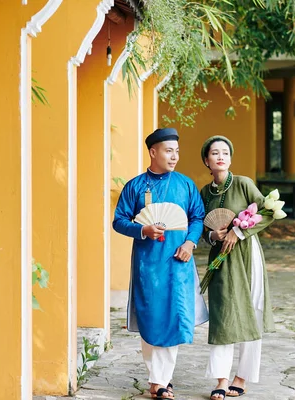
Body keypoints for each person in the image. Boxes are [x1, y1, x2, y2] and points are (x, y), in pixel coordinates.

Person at [113, 127, 208, 400]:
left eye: (177, 151)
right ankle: (158, 379)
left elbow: (197, 217)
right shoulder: (135, 186)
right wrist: (142, 231)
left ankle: (161, 381)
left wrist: (190, 243)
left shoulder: (186, 184)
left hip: (178, 261)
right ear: (153, 152)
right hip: (148, 263)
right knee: (150, 316)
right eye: (169, 150)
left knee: (175, 316)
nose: (174, 156)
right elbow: (119, 221)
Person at [199, 136, 276, 400]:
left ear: (230, 158)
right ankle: (221, 379)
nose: (220, 156)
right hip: (220, 259)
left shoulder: (244, 184)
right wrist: (214, 237)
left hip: (247, 255)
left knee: (251, 311)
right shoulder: (204, 193)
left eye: (225, 153)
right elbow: (202, 230)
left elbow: (268, 213)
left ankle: (241, 377)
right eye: (214, 153)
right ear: (207, 161)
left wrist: (239, 234)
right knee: (222, 316)